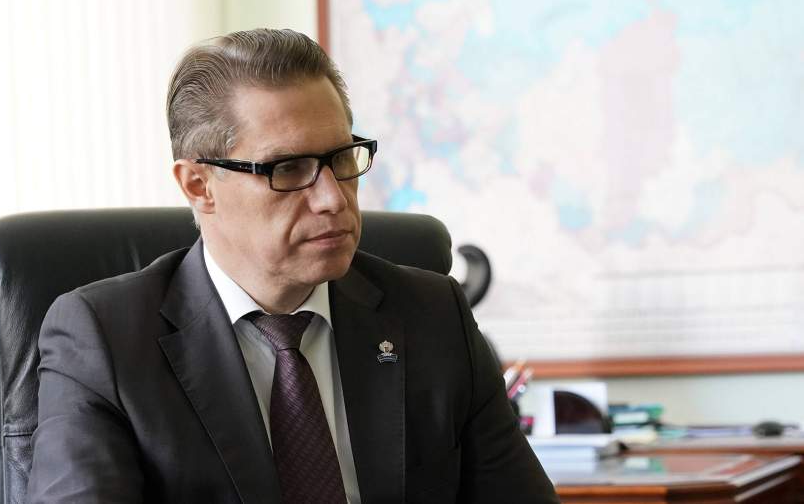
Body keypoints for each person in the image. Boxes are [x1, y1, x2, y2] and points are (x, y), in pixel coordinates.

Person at [27, 28, 558, 503]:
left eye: (342, 159)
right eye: (289, 168)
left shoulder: (432, 315)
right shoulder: (104, 340)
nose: (332, 198)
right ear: (199, 185)